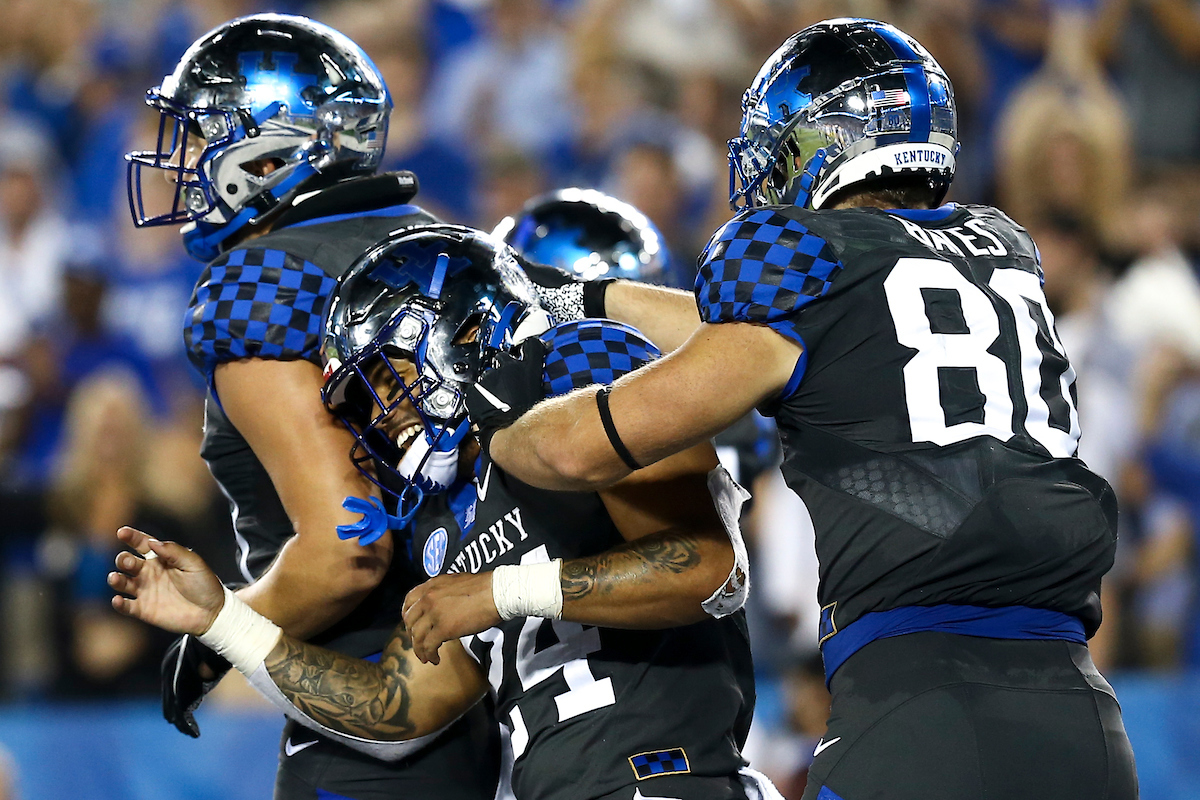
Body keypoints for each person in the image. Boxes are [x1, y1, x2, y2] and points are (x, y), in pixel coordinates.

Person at [471, 19, 1138, 800]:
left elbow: (576, 450)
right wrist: (589, 295)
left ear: (824, 141)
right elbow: (798, 337)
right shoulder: (1000, 250)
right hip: (1084, 714)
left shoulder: (804, 273)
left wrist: (494, 407)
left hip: (923, 708)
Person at [109, 224, 772, 800]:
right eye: (365, 405)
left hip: (667, 778)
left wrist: (503, 591)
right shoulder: (436, 521)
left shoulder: (576, 363)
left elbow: (710, 570)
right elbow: (395, 708)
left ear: (460, 332)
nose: (381, 419)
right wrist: (224, 621)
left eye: (387, 382)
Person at [125, 14, 499, 800]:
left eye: (205, 134)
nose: (187, 162)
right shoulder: (435, 244)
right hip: (504, 689)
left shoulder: (262, 281)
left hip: (378, 697)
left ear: (269, 147)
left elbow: (345, 548)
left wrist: (220, 635)